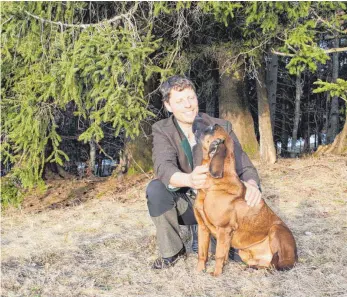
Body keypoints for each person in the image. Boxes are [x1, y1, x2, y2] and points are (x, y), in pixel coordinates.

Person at [146, 75, 262, 269]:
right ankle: (172, 251)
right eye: (180, 101)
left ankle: (207, 236)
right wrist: (188, 179)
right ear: (168, 106)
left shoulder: (220, 127)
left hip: (218, 205)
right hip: (186, 203)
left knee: (236, 256)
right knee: (156, 189)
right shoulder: (162, 129)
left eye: (191, 98)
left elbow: (244, 165)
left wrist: (251, 184)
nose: (188, 105)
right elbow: (162, 166)